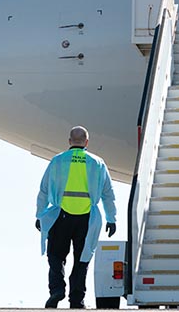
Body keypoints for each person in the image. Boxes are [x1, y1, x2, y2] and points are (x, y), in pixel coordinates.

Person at [36, 126, 117, 309]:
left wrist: (39, 214)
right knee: (82, 260)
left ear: (69, 141)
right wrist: (111, 218)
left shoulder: (57, 161)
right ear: (86, 142)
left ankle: (57, 290)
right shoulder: (97, 163)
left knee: (55, 256)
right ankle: (77, 301)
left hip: (61, 216)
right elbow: (108, 193)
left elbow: (44, 190)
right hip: (87, 218)